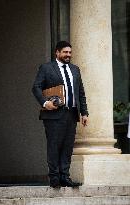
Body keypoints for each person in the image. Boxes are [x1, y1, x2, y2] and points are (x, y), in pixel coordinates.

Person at [32, 41, 89, 188]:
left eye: (70, 52)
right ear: (57, 53)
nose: (68, 55)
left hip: (71, 114)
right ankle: (54, 178)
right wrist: (45, 103)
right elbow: (36, 87)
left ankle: (65, 177)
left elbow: (80, 93)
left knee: (67, 146)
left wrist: (84, 113)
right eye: (65, 52)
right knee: (54, 145)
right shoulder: (46, 68)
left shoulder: (75, 70)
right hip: (53, 114)